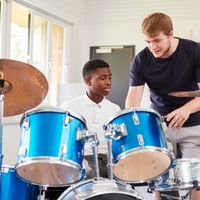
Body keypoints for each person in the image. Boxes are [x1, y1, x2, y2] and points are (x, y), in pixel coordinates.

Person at [125, 12, 200, 200]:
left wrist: (186, 109)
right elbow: (132, 100)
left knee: (195, 182)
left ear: (171, 34)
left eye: (157, 41)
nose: (152, 47)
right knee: (158, 180)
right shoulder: (141, 60)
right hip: (160, 125)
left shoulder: (195, 51)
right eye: (148, 42)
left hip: (194, 122)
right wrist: (135, 126)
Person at [60, 59, 121, 179]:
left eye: (110, 78)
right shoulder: (69, 108)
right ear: (88, 81)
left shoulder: (115, 109)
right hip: (81, 162)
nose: (108, 82)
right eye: (103, 78)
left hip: (108, 162)